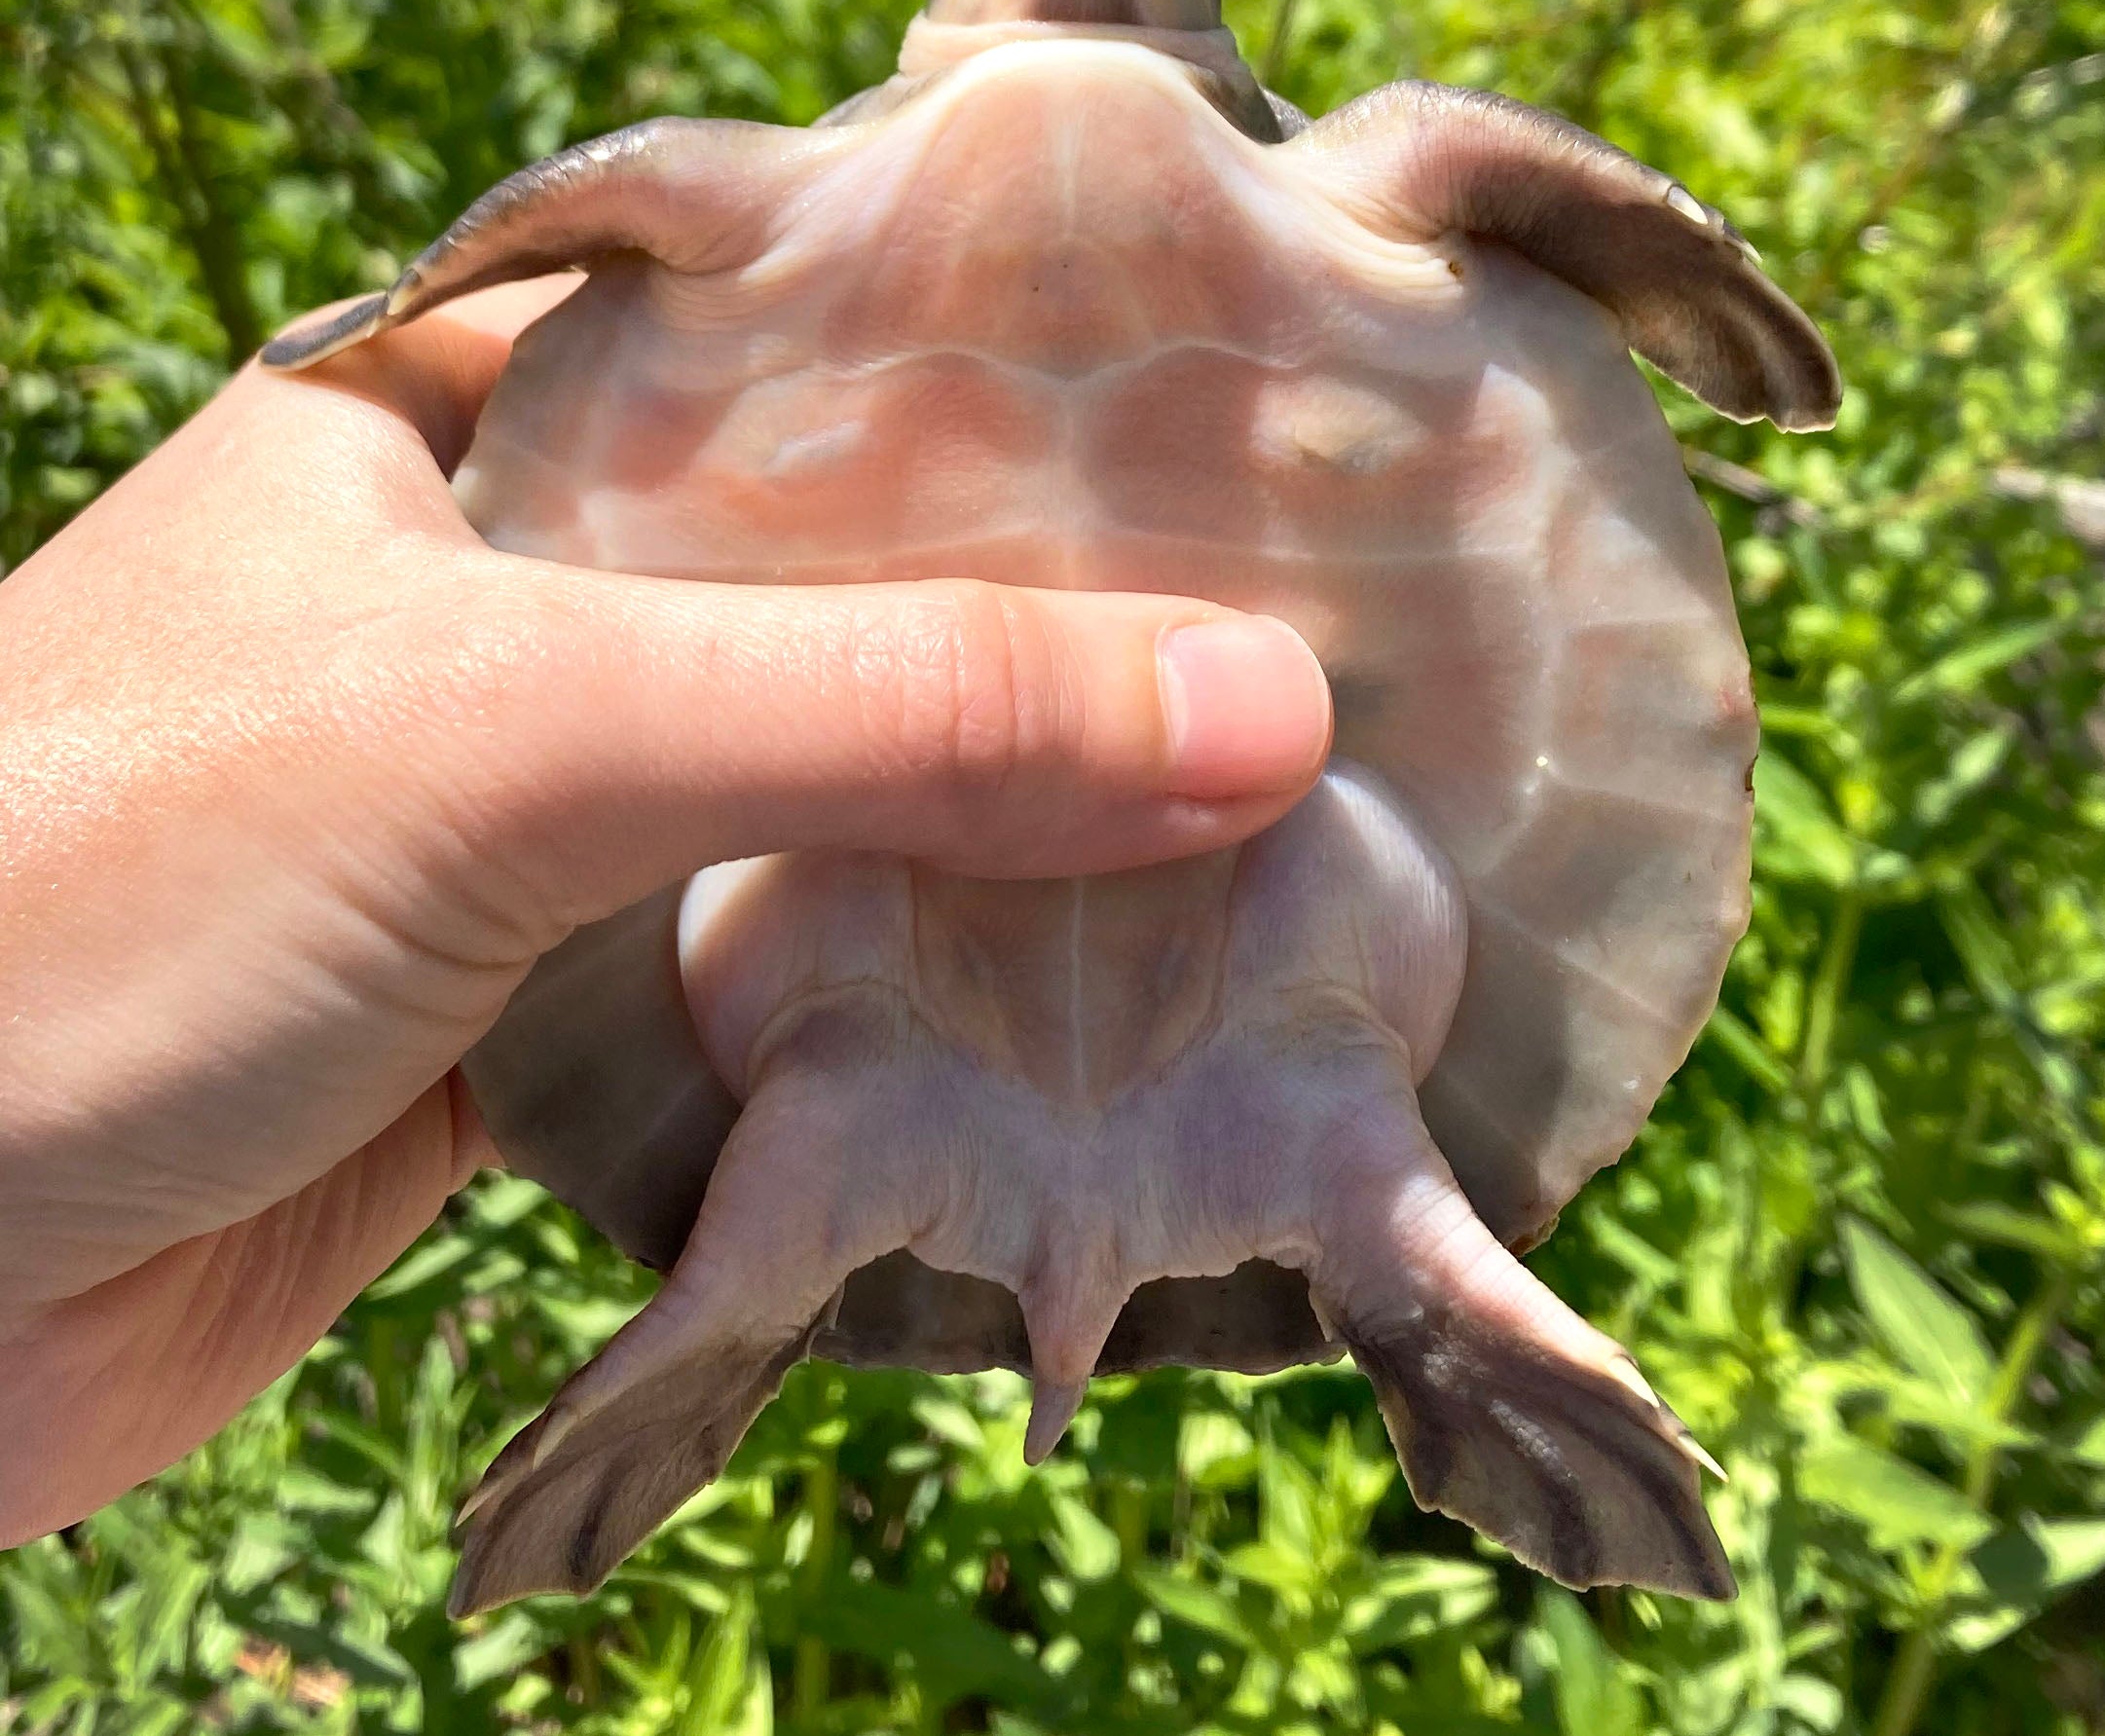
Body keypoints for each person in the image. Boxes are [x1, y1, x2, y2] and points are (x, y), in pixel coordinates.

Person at [0, 275, 1333, 1542]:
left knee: (826, 1052)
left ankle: (711, 1325)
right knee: (857, 1029)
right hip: (1265, 981)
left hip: (835, 992)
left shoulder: (762, 234)